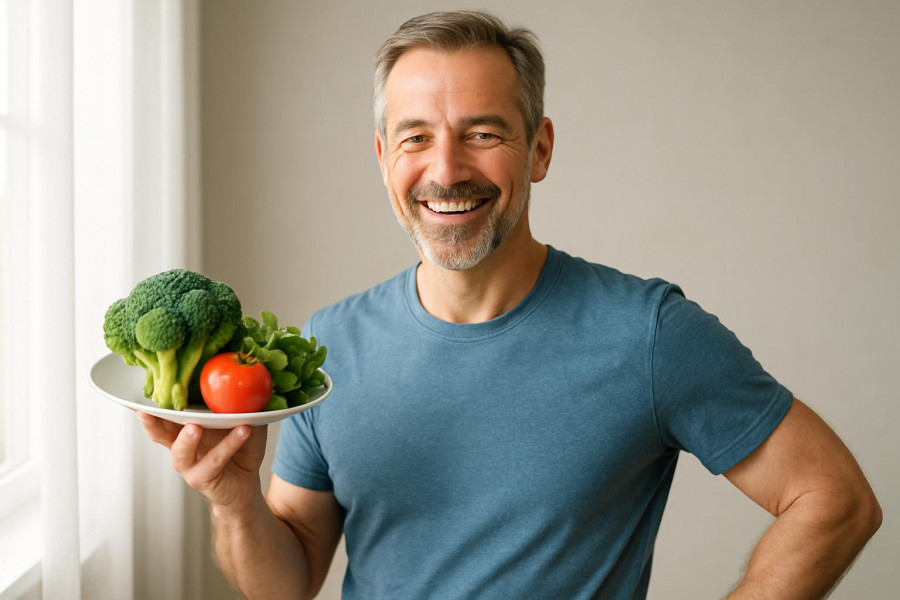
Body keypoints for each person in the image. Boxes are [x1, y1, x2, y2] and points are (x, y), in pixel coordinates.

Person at [138, 10, 882, 599]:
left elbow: (835, 500)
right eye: (416, 137)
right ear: (384, 160)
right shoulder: (330, 347)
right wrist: (234, 502)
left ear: (540, 149)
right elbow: (287, 581)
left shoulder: (647, 334)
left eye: (482, 133)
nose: (446, 170)